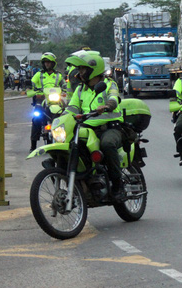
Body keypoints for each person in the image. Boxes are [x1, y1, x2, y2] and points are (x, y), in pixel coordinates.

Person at [64, 49, 126, 202]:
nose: (80, 72)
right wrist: (60, 116)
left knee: (107, 144)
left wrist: (107, 105)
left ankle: (118, 185)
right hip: (87, 129)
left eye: (83, 69)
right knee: (72, 147)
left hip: (110, 128)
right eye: (79, 69)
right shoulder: (80, 89)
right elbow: (71, 109)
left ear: (93, 69)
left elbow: (114, 97)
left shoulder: (108, 83)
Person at [28, 52, 65, 151]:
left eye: (49, 62)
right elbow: (32, 83)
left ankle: (62, 141)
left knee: (63, 117)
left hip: (55, 101)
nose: (47, 64)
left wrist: (66, 90)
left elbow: (64, 85)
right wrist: (32, 89)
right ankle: (33, 145)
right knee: (36, 118)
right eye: (45, 62)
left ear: (53, 63)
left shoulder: (58, 75)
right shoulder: (38, 74)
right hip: (42, 100)